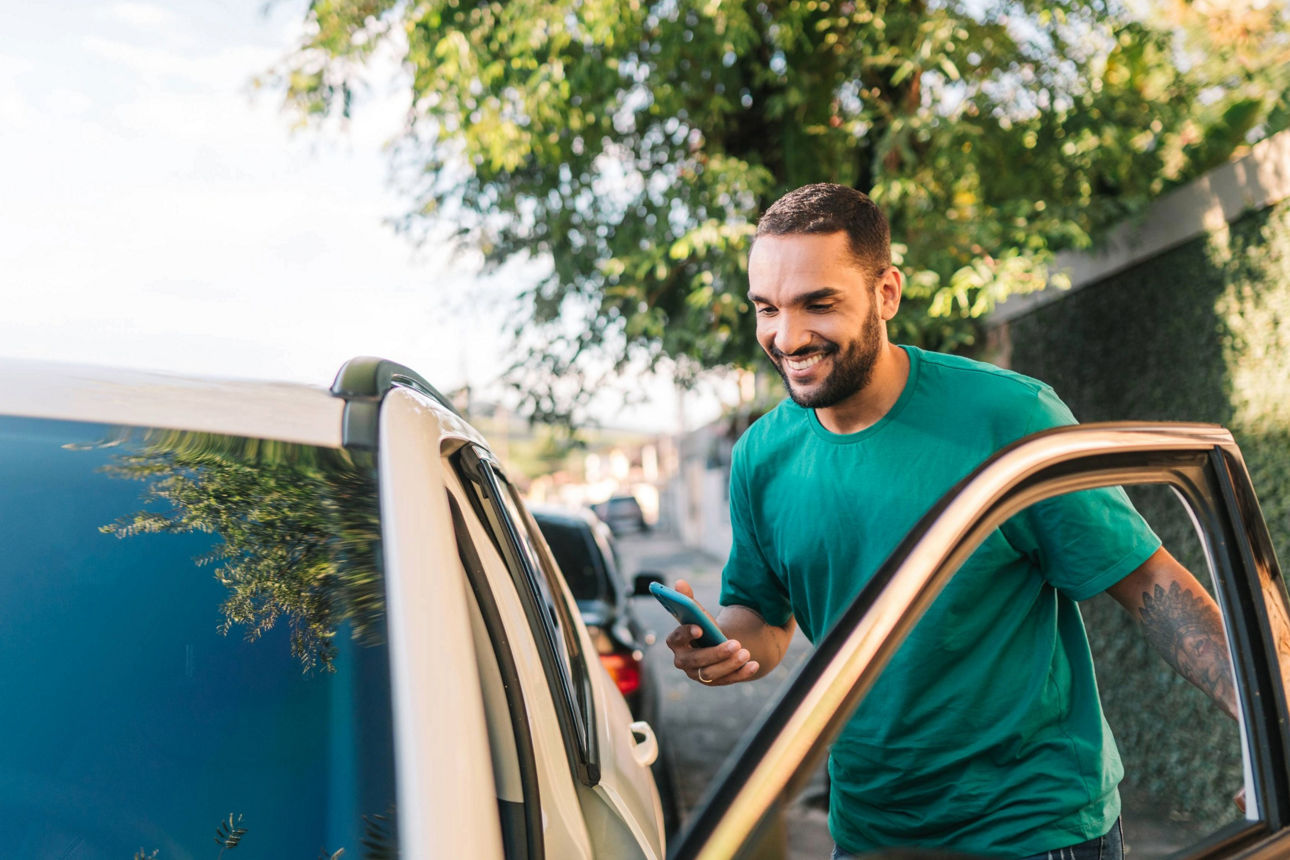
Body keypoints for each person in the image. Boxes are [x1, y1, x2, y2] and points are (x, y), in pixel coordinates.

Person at [665, 183, 1238, 859]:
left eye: (819, 304)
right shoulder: (762, 455)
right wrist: (717, 652)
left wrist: (1273, 718)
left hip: (1034, 829)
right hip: (873, 834)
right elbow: (759, 620)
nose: (787, 336)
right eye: (768, 309)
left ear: (886, 293)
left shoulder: (1007, 418)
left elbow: (1151, 589)